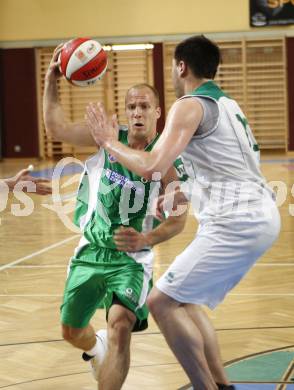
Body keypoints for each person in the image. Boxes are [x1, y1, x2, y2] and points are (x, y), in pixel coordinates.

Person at [85, 35, 281, 390]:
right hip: (255, 214)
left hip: (236, 222)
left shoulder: (188, 105)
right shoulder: (227, 105)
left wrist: (109, 142)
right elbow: (221, 165)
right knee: (185, 301)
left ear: (180, 67)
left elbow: (151, 165)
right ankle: (221, 385)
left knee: (161, 303)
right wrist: (180, 190)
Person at [43, 46, 188, 390]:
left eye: (143, 106)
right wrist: (50, 80)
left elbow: (179, 220)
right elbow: (56, 127)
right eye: (131, 106)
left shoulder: (167, 161)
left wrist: (147, 239)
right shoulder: (106, 139)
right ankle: (96, 348)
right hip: (90, 252)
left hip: (131, 261)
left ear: (157, 111)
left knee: (121, 326)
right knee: (71, 331)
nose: (137, 112)